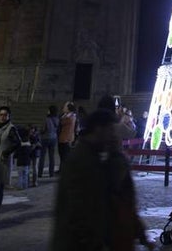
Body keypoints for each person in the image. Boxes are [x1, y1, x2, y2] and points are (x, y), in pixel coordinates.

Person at [51, 108, 154, 251]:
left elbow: (119, 200)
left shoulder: (98, 157)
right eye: (110, 130)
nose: (113, 135)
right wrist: (92, 241)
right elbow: (79, 207)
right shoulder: (82, 160)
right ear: (98, 129)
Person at [57, 102, 77, 169]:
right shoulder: (64, 116)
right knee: (62, 154)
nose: (63, 108)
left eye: (65, 106)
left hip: (67, 138)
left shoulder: (71, 117)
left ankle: (64, 169)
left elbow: (62, 122)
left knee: (65, 155)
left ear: (68, 108)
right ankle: (61, 168)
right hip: (62, 138)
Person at [42, 106, 59, 178]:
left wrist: (40, 132)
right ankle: (51, 173)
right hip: (54, 138)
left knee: (42, 156)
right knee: (51, 156)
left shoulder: (47, 119)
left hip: (45, 138)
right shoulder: (57, 119)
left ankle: (40, 172)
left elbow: (43, 129)